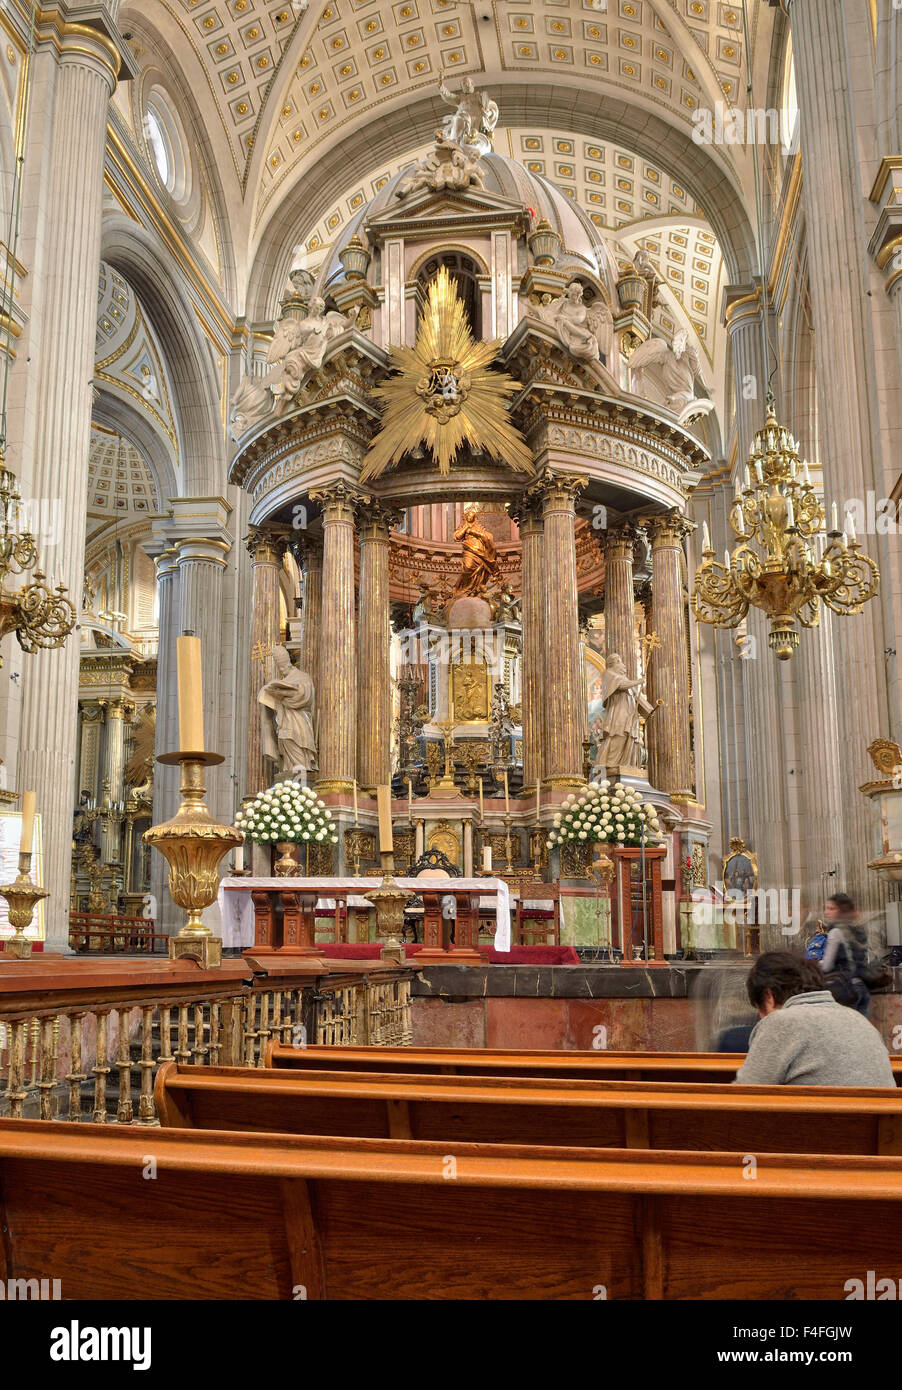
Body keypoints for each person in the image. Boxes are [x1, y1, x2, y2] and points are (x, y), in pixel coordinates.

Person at [733, 951, 894, 1087]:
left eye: (760, 1011)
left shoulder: (781, 1022)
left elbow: (746, 1091)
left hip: (819, 1123)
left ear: (768, 997)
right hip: (880, 1123)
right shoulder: (859, 1020)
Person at [819, 892, 872, 1017]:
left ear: (842, 910)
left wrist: (813, 964)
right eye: (826, 908)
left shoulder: (836, 932)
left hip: (845, 989)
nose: (827, 912)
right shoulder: (859, 930)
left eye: (831, 908)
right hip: (862, 987)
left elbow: (827, 965)